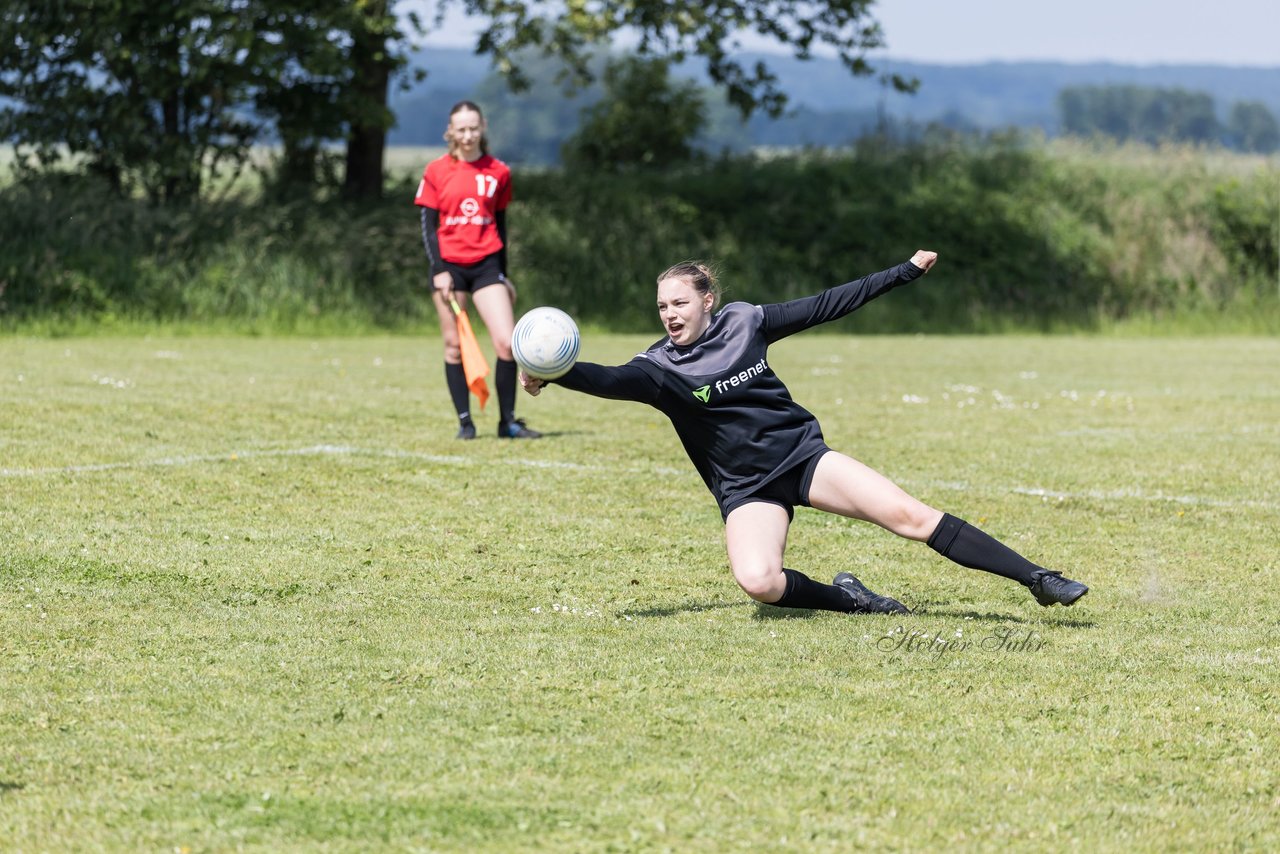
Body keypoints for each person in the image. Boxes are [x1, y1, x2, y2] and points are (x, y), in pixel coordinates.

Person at [520, 252, 1088, 614]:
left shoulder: (747, 322)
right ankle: (853, 600)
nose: (670, 313)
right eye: (662, 305)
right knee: (760, 581)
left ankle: (1040, 578)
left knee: (909, 516)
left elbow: (826, 304)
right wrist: (557, 372)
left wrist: (902, 273)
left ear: (707, 301)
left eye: (680, 302)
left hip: (803, 458)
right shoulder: (659, 370)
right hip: (748, 488)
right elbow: (609, 378)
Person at [414, 100, 540, 440]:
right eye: (461, 129)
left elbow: (500, 226)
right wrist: (438, 269)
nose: (467, 135)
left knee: (507, 343)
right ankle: (465, 422)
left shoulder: (498, 171)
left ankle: (508, 422)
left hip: (486, 266)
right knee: (454, 345)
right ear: (450, 131)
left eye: (473, 128)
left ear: (482, 127)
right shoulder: (436, 171)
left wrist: (503, 275)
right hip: (449, 269)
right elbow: (428, 227)